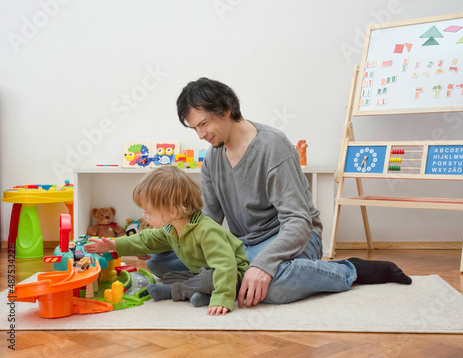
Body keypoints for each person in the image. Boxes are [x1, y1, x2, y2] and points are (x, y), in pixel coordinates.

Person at [148, 77, 412, 308]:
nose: (201, 134)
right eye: (195, 128)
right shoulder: (212, 159)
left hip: (290, 239)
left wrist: (263, 265)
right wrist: (165, 236)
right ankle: (216, 282)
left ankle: (348, 270)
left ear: (226, 109)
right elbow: (206, 220)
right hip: (243, 246)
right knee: (160, 262)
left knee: (271, 288)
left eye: (203, 124)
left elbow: (298, 222)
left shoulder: (273, 146)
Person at [84, 166, 250, 316]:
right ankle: (199, 293)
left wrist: (222, 298)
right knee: (167, 273)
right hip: (200, 270)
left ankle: (176, 291)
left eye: (148, 212)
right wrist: (113, 244)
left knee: (208, 279)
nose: (144, 216)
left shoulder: (207, 231)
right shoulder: (172, 227)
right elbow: (146, 239)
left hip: (233, 274)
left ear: (172, 210)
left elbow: (225, 265)